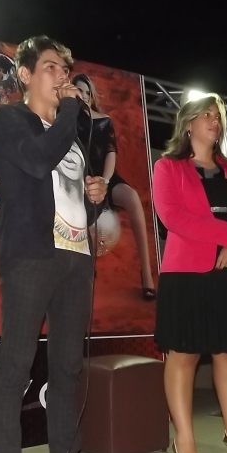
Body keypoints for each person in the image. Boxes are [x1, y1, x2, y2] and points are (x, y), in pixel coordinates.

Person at [0, 36, 114, 453]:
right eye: (51, 68)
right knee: (15, 367)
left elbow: (70, 199)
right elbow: (38, 161)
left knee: (66, 366)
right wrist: (69, 112)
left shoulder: (72, 139)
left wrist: (95, 196)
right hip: (30, 258)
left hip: (75, 259)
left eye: (65, 69)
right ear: (24, 74)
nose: (63, 76)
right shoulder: (8, 119)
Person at [152, 93, 227, 453]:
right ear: (188, 124)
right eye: (206, 115)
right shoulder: (168, 166)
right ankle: (184, 437)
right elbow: (171, 215)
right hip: (187, 271)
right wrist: (226, 235)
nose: (215, 121)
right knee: (183, 354)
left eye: (218, 115)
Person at [73, 74, 156, 300]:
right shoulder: (67, 118)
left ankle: (147, 273)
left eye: (87, 92)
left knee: (132, 197)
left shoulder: (104, 120)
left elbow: (111, 153)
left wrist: (106, 181)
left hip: (106, 178)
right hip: (80, 180)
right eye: (79, 91)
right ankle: (86, 267)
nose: (84, 96)